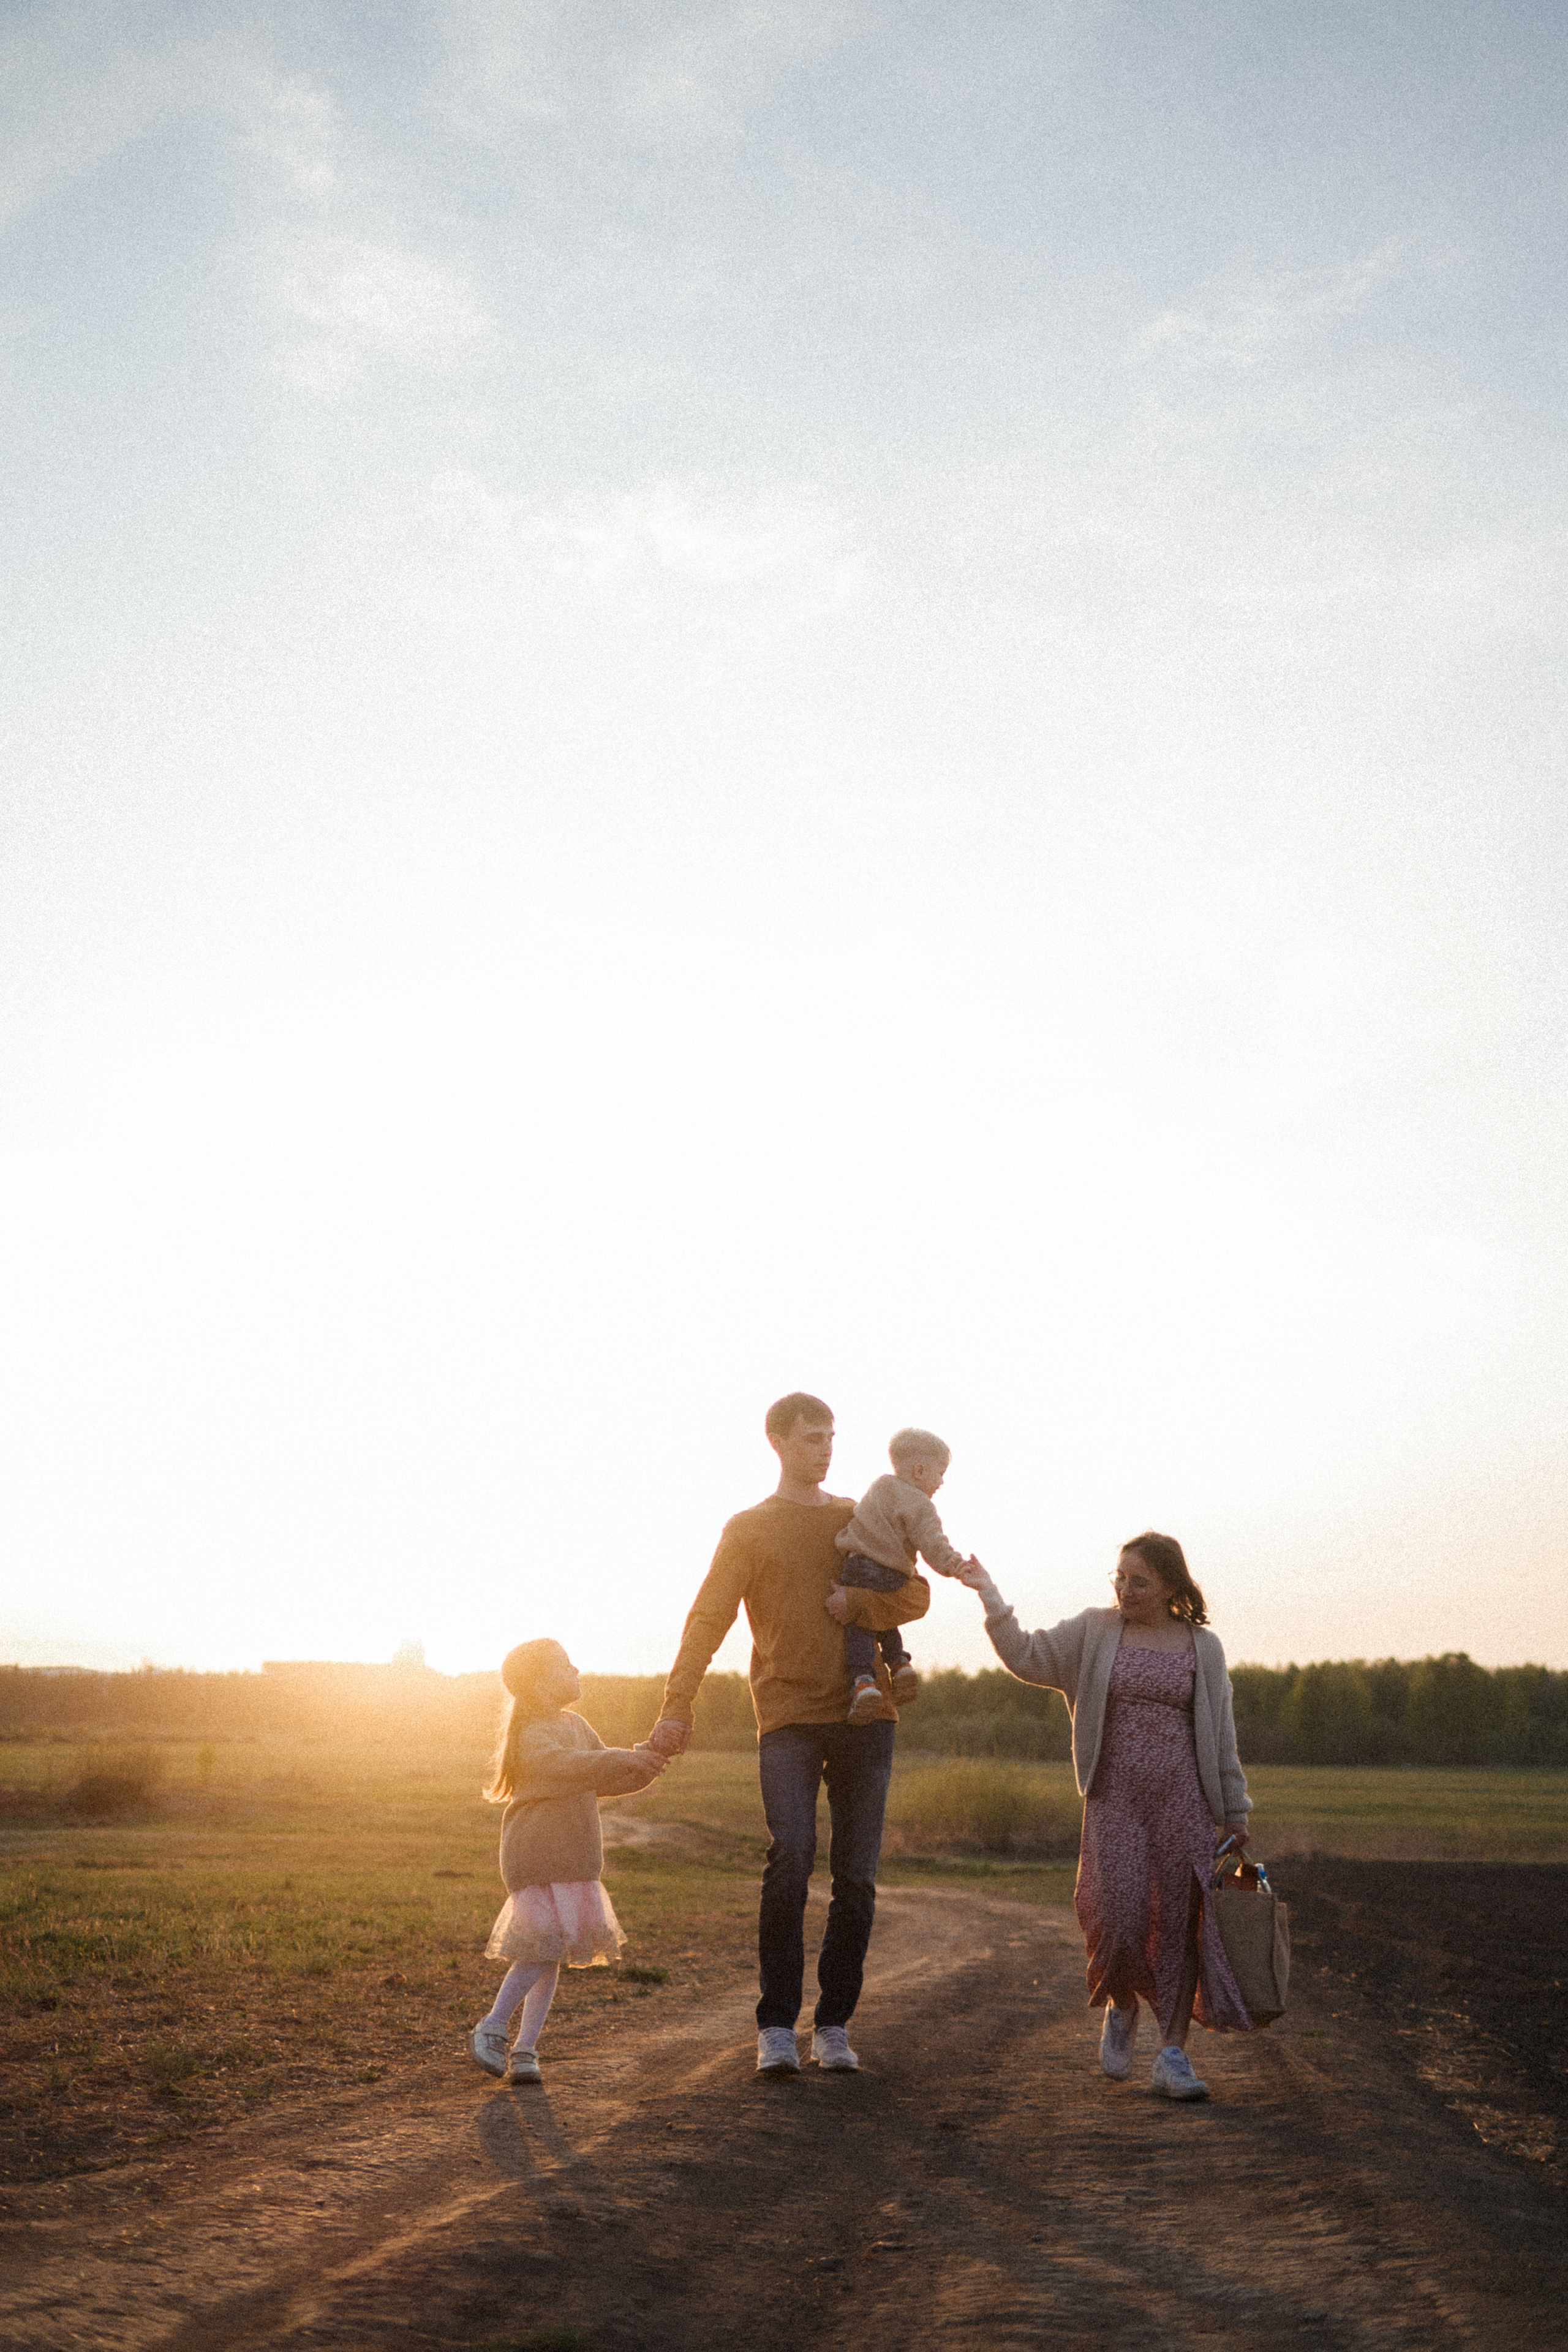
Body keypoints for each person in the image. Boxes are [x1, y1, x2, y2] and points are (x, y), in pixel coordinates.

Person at [648, 1392, 930, 2075]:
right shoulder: (749, 1528)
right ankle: (776, 2025)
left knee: (856, 1878)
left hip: (868, 1718)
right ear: (776, 1441)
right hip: (786, 1718)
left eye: (831, 1436)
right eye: (810, 1438)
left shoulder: (856, 1516)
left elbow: (914, 1596)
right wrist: (675, 1705)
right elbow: (707, 1618)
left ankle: (833, 2025)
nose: (825, 1449)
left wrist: (859, 1605)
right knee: (792, 1858)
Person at [957, 1532, 1254, 2100]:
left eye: (1138, 1581)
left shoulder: (1203, 1647)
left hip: (1185, 1804)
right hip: (1114, 1798)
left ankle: (1172, 2055)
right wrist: (990, 1598)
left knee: (1178, 1933)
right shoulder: (1096, 1631)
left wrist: (1234, 1809)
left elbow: (1222, 1737)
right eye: (1119, 1578)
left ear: (1171, 1586)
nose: (1125, 1590)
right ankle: (1120, 2003)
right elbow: (1026, 1655)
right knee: (1119, 1920)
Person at [469, 1638, 666, 2086]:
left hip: (575, 1860)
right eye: (564, 1666)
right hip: (539, 1858)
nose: (576, 1669)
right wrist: (622, 1757)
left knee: (550, 1955)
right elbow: (569, 1765)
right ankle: (494, 2025)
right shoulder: (532, 1734)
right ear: (540, 1684)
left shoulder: (575, 1724)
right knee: (542, 1949)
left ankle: (525, 2049)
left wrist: (644, 1764)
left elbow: (600, 1776)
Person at [834, 1427, 976, 1722]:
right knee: (880, 1615)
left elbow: (859, 1518)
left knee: (860, 1620)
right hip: (895, 1575)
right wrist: (954, 1565)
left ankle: (863, 1679)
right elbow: (934, 1545)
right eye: (940, 1473)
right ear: (920, 1470)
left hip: (859, 1567)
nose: (942, 1481)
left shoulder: (879, 1488)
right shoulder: (921, 1505)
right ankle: (898, 1663)